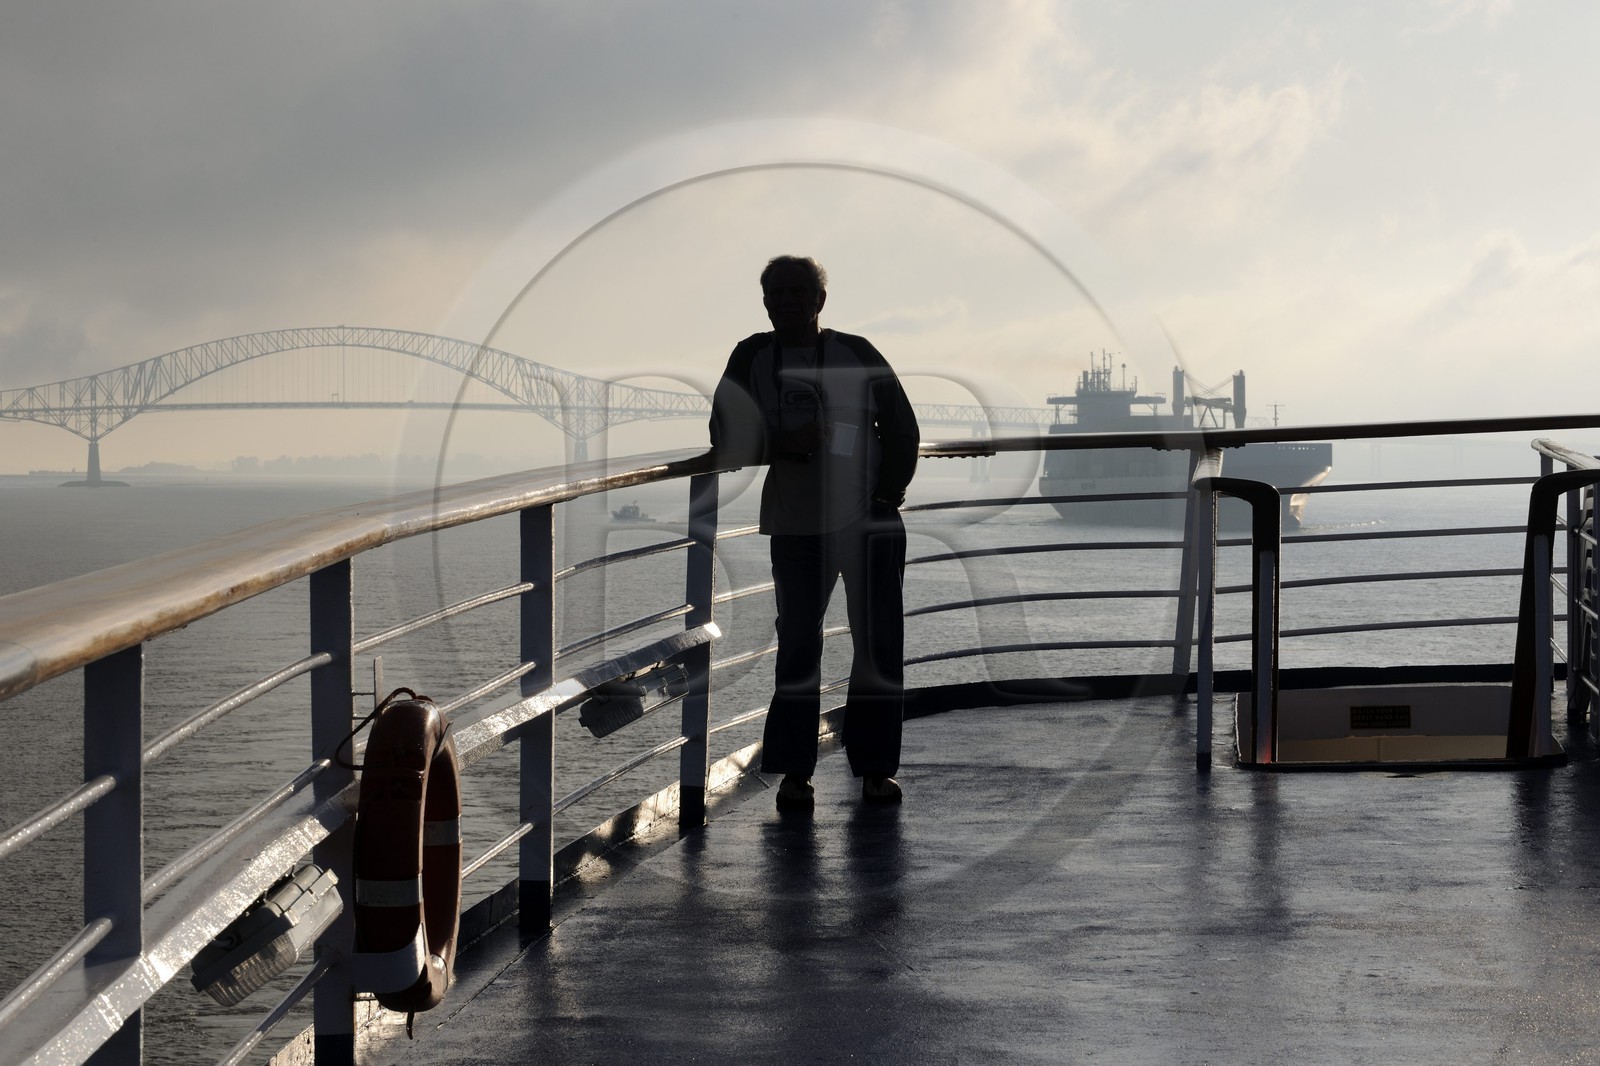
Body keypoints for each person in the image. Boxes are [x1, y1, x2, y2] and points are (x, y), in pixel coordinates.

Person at [709, 255, 920, 810]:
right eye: (776, 292)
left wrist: (885, 498)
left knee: (877, 645)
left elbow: (902, 426)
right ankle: (794, 773)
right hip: (797, 528)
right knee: (798, 647)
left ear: (820, 300)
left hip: (867, 522)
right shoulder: (753, 355)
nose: (787, 301)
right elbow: (722, 434)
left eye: (798, 291)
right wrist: (783, 444)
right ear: (764, 302)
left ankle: (875, 769)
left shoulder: (857, 352)